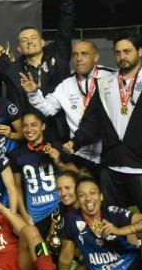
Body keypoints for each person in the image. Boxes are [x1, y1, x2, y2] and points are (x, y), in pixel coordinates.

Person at [63, 31, 142, 233]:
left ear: (140, 51)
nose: (122, 57)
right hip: (111, 167)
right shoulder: (105, 84)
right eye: (118, 52)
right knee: (113, 225)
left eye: (127, 51)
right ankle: (125, 264)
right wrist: (75, 142)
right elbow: (91, 121)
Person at [20, 39, 114, 177]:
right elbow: (47, 109)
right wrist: (33, 94)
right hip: (79, 155)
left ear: (96, 57)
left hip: (109, 154)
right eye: (75, 54)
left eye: (84, 54)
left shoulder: (111, 78)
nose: (79, 58)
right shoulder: (65, 85)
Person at [10, 0, 76, 141]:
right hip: (31, 134)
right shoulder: (15, 70)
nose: (29, 42)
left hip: (62, 130)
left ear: (43, 42)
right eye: (24, 40)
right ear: (19, 48)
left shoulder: (58, 54)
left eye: (33, 38)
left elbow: (66, 26)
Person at [10, 110, 78, 239]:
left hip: (58, 206)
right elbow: (17, 187)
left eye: (34, 125)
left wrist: (59, 162)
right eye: (25, 126)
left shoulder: (56, 147)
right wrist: (24, 214)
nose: (29, 129)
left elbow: (77, 176)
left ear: (43, 126)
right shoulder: (17, 155)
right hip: (35, 214)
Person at [51, 170, 100, 270]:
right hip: (79, 255)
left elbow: (102, 248)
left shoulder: (91, 207)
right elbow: (52, 235)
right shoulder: (61, 208)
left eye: (68, 188)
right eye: (59, 189)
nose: (63, 193)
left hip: (102, 254)